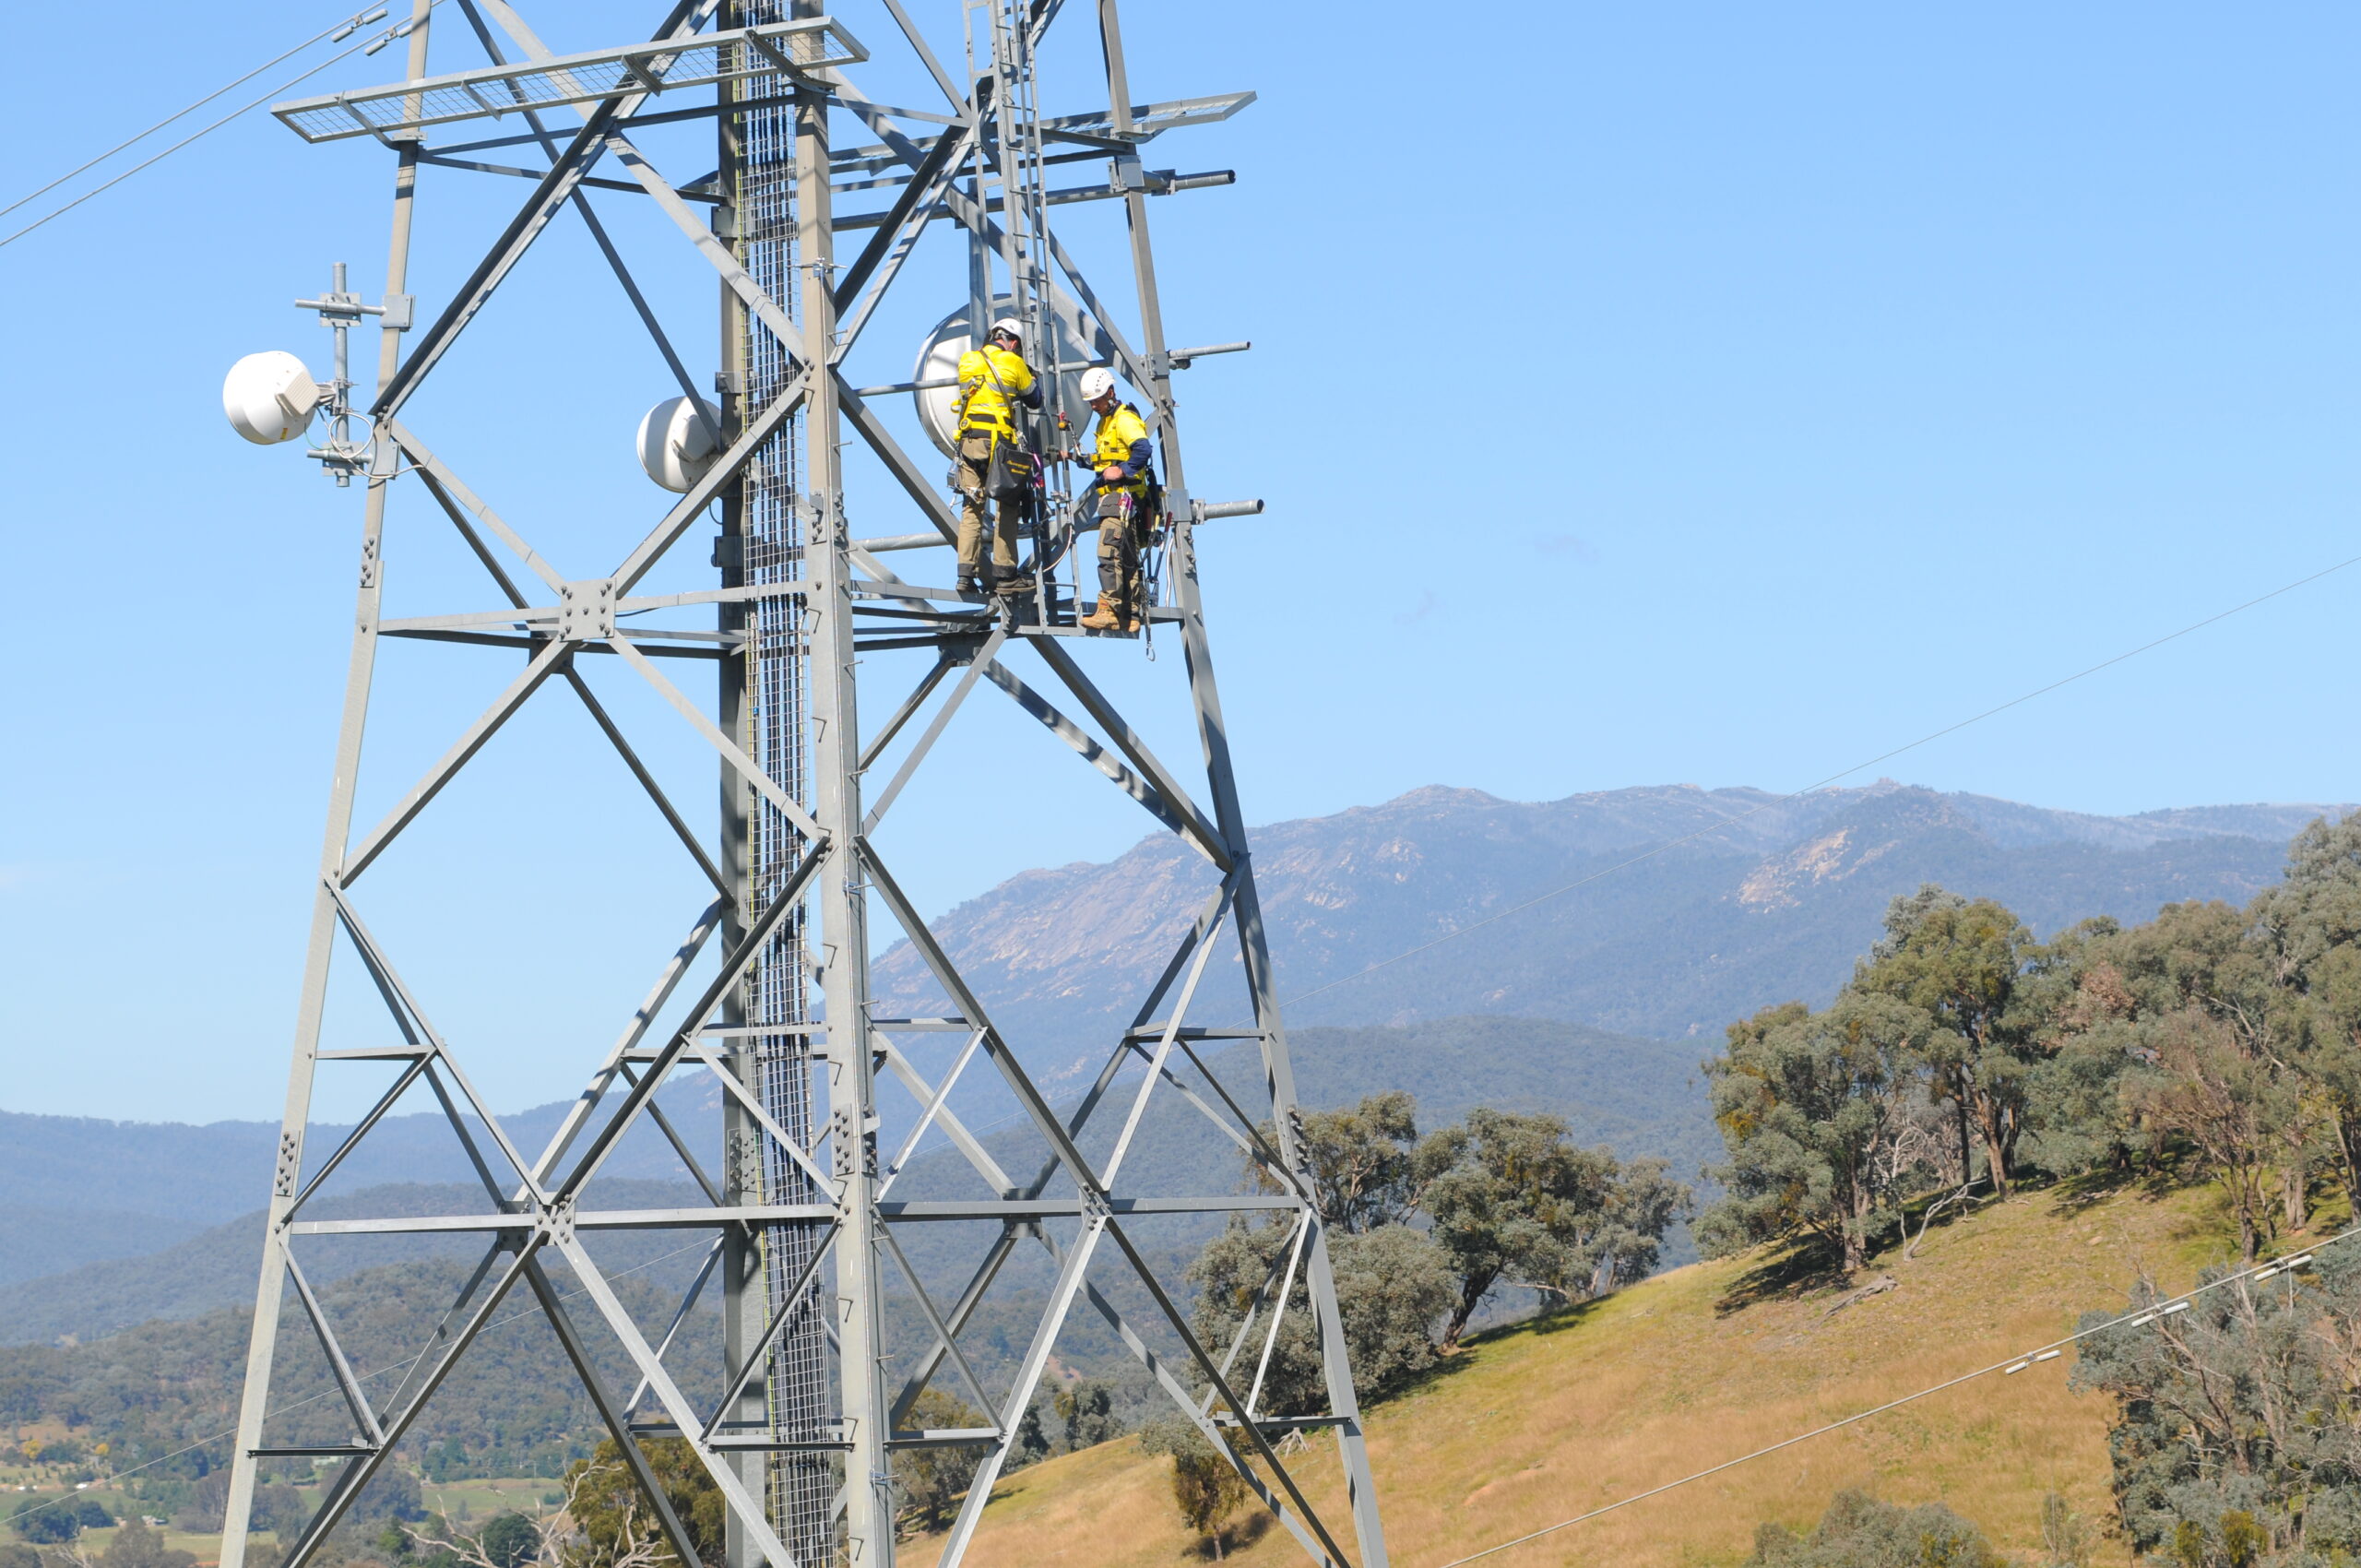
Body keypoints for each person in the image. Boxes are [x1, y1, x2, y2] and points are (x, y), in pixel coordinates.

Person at [951, 317, 1042, 594]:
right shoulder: (1014, 363)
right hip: (997, 445)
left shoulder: (968, 360)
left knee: (972, 507)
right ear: (1013, 343)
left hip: (969, 443)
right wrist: (1029, 374)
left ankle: (965, 576)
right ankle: (1006, 575)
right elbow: (1034, 399)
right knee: (1007, 505)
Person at [1072, 366, 1154, 632]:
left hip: (1122, 496)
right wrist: (1075, 458)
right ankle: (1131, 613)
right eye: (1091, 402)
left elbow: (1143, 448)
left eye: (1097, 400)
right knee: (1126, 555)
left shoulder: (1123, 419)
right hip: (1120, 498)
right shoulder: (1105, 422)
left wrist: (1124, 470)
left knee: (1108, 552)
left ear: (1110, 393)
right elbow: (1105, 460)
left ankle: (1108, 609)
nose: (1094, 406)